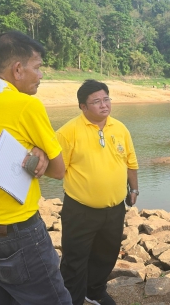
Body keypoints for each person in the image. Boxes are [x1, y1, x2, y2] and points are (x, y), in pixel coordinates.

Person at [0, 31, 72, 304]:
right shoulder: (25, 105)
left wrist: (37, 149)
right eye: (38, 67)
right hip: (15, 234)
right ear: (17, 69)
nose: (41, 75)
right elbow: (58, 170)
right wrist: (40, 150)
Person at [57, 79, 139, 305]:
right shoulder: (68, 132)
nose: (104, 105)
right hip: (80, 210)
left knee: (107, 253)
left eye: (106, 99)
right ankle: (71, 299)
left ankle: (94, 291)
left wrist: (134, 189)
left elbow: (131, 162)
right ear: (83, 107)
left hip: (114, 209)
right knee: (75, 258)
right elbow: (57, 170)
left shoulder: (120, 128)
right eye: (96, 102)